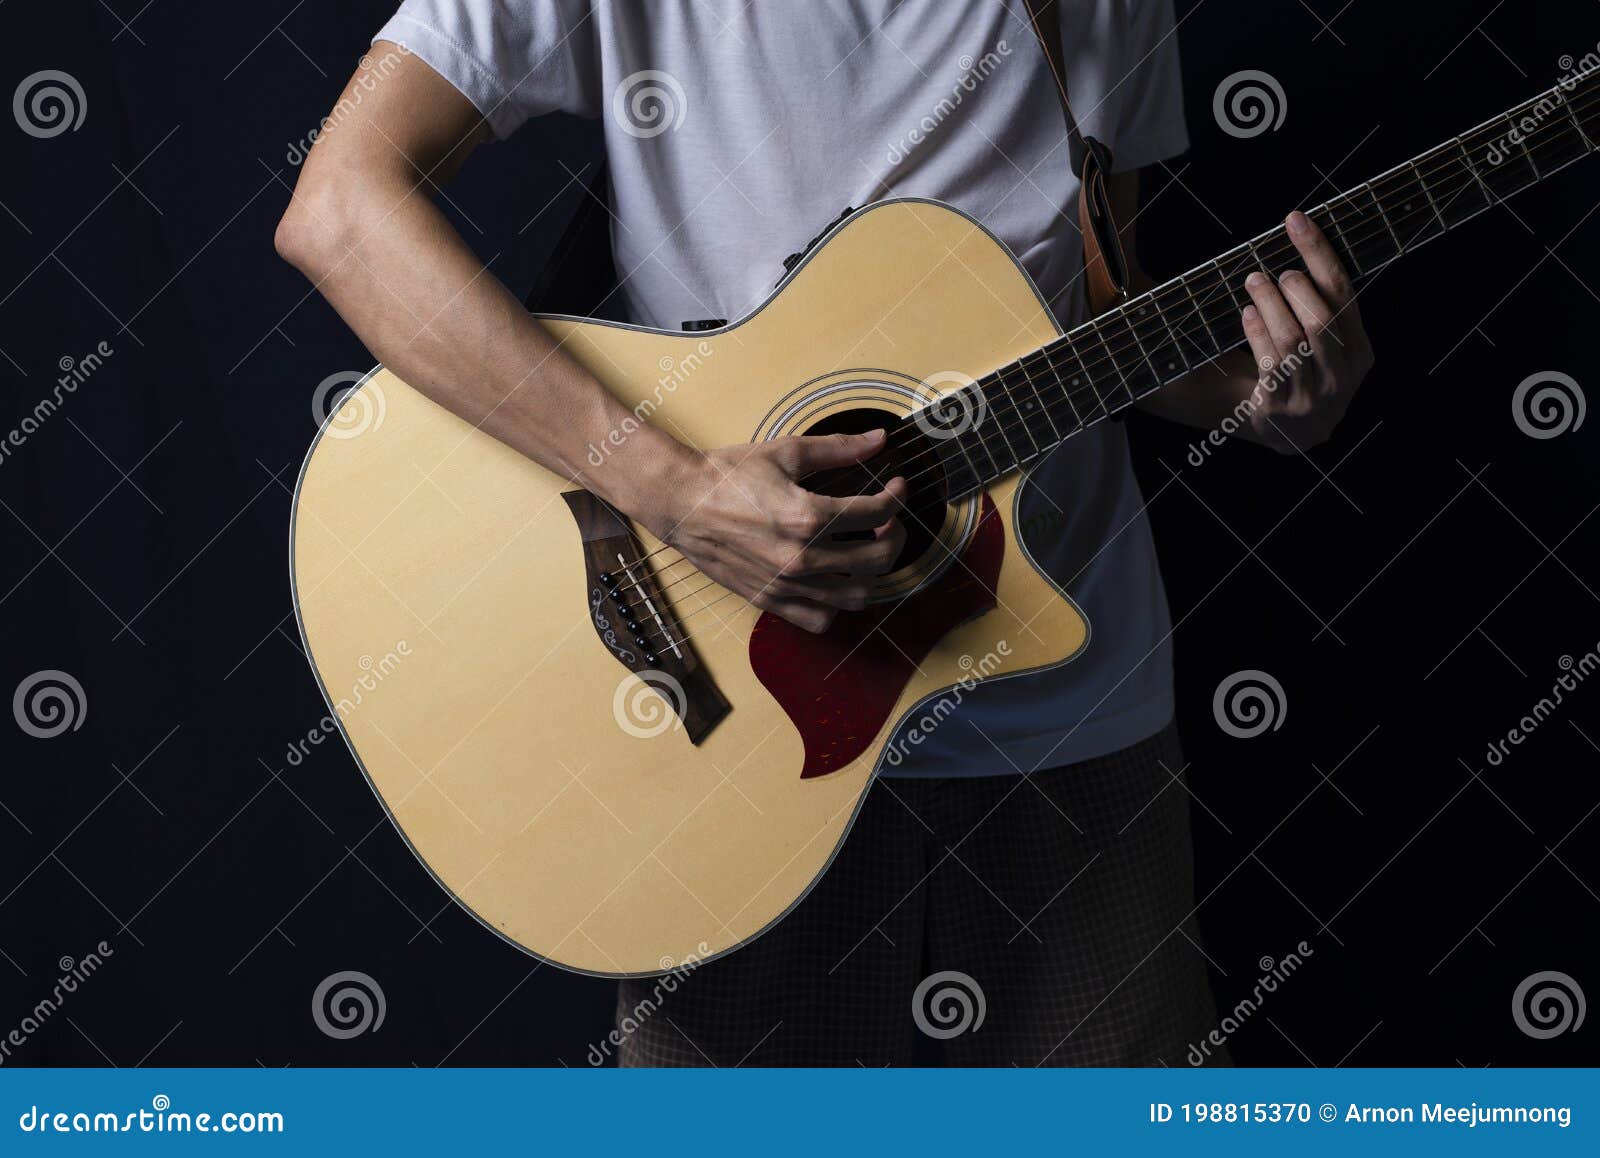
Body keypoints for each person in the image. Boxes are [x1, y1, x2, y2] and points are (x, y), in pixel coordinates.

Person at [275, 1, 1373, 1066]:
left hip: (1068, 703)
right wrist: (671, 491)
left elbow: (1093, 302)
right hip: (726, 736)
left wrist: (1256, 395)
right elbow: (338, 212)